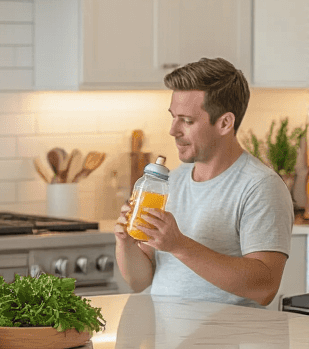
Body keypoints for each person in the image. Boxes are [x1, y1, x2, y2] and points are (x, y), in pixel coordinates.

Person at [115, 58, 294, 307]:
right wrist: (126, 243)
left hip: (227, 343)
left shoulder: (260, 186)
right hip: (166, 342)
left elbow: (264, 287)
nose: (173, 130)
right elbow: (139, 282)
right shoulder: (172, 181)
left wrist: (179, 245)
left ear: (224, 123)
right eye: (173, 117)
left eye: (187, 120)